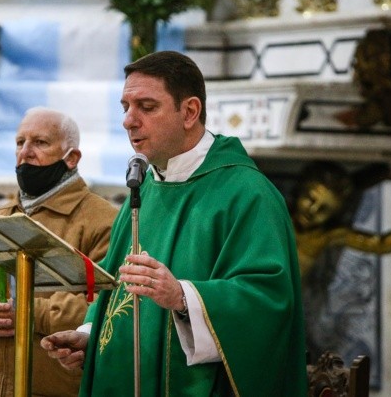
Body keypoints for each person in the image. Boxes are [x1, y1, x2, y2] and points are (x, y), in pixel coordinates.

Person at [41, 51, 307, 395]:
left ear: (190, 112)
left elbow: (269, 302)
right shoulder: (146, 188)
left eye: (146, 107)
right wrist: (89, 336)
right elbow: (116, 282)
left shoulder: (248, 195)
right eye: (126, 107)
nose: (129, 121)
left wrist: (182, 296)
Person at [0, 107, 118, 397]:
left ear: (72, 158)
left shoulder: (103, 221)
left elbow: (107, 310)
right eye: (20, 143)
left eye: (40, 142)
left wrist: (26, 312)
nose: (25, 152)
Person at [291, 160, 391, 278]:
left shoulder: (328, 235)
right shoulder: (278, 215)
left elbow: (381, 244)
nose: (312, 211)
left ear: (334, 215)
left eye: (324, 209)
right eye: (310, 199)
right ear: (300, 191)